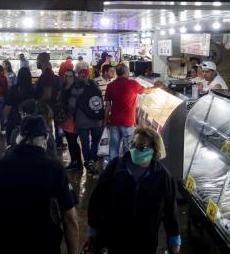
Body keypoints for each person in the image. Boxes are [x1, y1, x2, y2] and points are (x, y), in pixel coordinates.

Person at [0, 115, 79, 254]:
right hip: (44, 246)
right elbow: (70, 219)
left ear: (20, 137)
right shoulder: (55, 169)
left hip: (3, 245)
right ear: (46, 138)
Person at [87, 126, 181, 254]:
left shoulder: (163, 176)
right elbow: (97, 199)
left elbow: (170, 210)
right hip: (112, 239)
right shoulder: (116, 167)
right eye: (133, 144)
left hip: (145, 242)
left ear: (155, 150)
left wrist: (174, 238)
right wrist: (93, 229)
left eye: (141, 147)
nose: (135, 150)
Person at [104, 64, 165, 161]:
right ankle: (128, 167)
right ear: (126, 72)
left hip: (114, 121)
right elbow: (146, 91)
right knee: (128, 148)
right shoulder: (132, 84)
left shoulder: (111, 85)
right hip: (128, 122)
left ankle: (113, 168)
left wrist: (105, 120)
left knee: (113, 147)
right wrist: (156, 86)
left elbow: (107, 106)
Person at [70, 69, 104, 176]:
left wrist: (71, 114)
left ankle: (89, 163)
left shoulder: (76, 87)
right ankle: (92, 160)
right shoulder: (95, 86)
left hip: (81, 120)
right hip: (95, 119)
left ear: (79, 76)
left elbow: (72, 104)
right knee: (95, 141)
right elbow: (100, 101)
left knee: (85, 143)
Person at [35, 52, 64, 148]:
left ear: (42, 61)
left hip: (47, 108)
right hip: (52, 106)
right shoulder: (50, 75)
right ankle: (55, 145)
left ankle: (51, 150)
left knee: (47, 130)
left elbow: (47, 95)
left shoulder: (46, 76)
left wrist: (38, 101)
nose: (36, 62)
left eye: (37, 60)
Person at [4, 67, 35, 144]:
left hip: (14, 119)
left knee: (12, 141)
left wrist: (6, 119)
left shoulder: (13, 89)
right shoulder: (33, 90)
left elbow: (8, 107)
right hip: (29, 119)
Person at [59, 69, 82, 171]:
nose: (67, 78)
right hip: (66, 119)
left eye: (70, 76)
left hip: (72, 118)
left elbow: (73, 105)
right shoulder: (64, 87)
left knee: (72, 141)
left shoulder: (75, 87)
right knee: (70, 141)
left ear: (74, 77)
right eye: (66, 76)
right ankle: (75, 162)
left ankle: (76, 163)